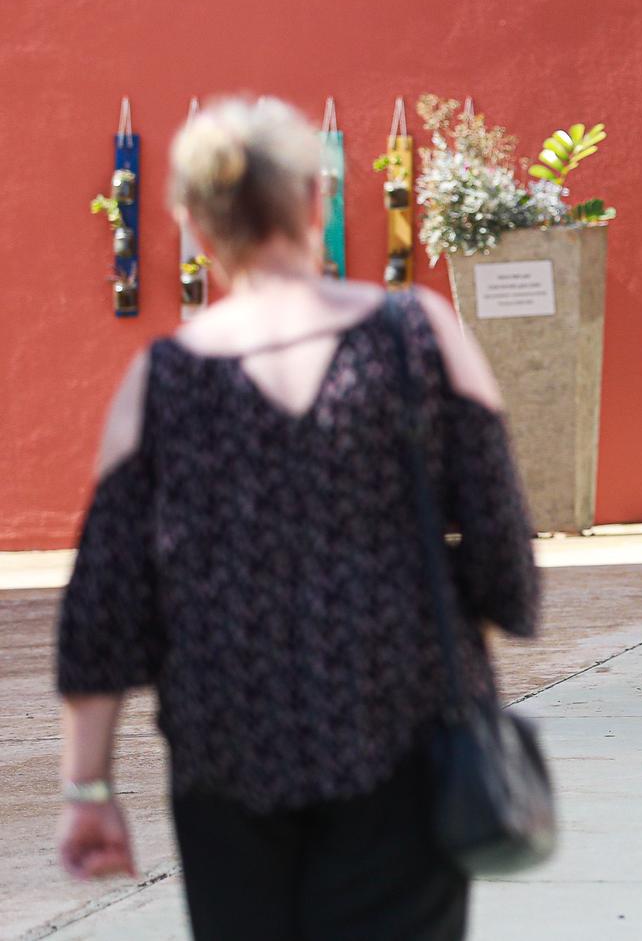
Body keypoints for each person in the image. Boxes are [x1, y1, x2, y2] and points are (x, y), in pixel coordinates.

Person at [55, 98, 538, 940]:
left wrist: (88, 789)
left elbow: (103, 603)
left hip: (224, 754)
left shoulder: (164, 379)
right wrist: (475, 627)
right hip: (403, 733)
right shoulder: (414, 334)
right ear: (317, 202)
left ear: (195, 225)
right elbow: (502, 545)